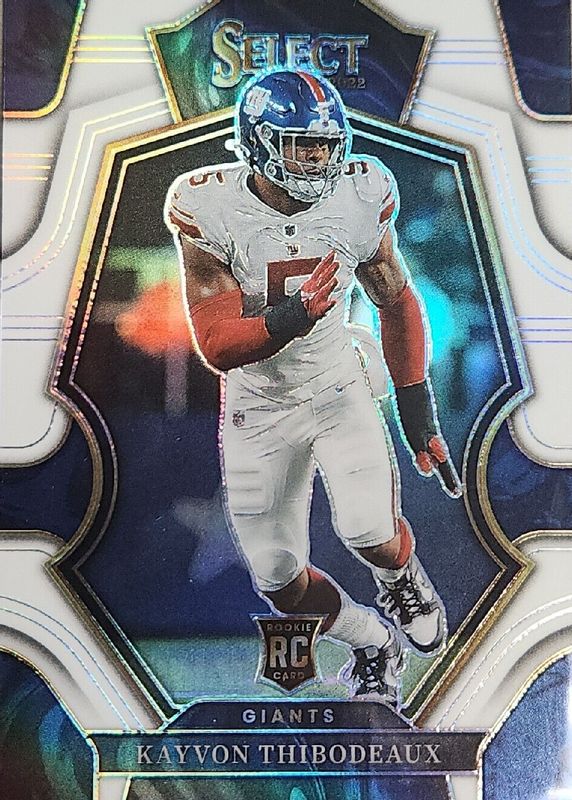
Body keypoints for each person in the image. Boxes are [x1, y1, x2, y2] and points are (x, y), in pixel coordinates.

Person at [166, 69, 461, 706]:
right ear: (257, 142)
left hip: (336, 386)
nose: (318, 160)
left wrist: (418, 414)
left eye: (327, 145)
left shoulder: (360, 194)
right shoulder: (207, 206)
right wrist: (292, 316)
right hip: (258, 404)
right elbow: (216, 345)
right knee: (278, 581)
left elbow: (395, 299)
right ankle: (371, 639)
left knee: (370, 531)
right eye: (301, 145)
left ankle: (402, 581)